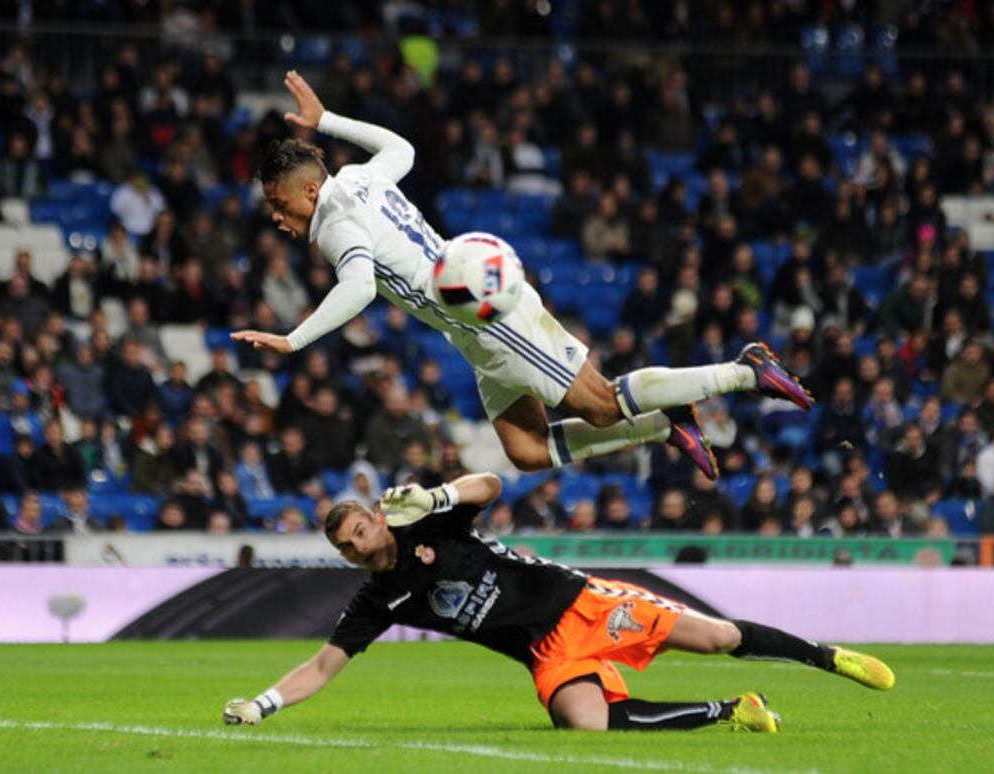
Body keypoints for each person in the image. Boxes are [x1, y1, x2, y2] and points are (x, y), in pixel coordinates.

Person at [231, 71, 813, 482]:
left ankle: (744, 371)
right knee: (528, 451)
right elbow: (401, 148)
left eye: (279, 204)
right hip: (469, 319)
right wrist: (328, 120)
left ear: (308, 189)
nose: (278, 218)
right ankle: (664, 428)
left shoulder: (334, 223)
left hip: (485, 317)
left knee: (605, 406)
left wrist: (293, 338)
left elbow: (357, 287)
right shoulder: (359, 179)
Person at [223, 473, 894, 732]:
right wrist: (262, 704)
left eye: (361, 531)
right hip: (545, 650)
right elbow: (321, 666)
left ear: (375, 517)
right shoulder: (380, 597)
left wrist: (437, 498)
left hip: (579, 603)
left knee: (717, 638)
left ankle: (828, 657)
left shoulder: (427, 522)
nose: (360, 546)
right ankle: (733, 713)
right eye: (347, 546)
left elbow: (490, 482)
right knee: (590, 727)